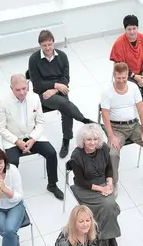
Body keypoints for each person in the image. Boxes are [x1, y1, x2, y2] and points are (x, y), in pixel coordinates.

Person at [0, 74, 63, 200]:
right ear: (11, 88)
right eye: (18, 90)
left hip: (32, 135)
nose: (22, 92)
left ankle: (52, 184)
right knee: (12, 162)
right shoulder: (3, 101)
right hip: (13, 138)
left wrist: (32, 139)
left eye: (24, 88)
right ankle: (12, 189)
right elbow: (0, 127)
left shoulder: (34, 97)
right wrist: (17, 141)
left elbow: (40, 122)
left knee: (51, 153)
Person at [28, 29, 94, 159]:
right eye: (44, 45)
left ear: (53, 42)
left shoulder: (62, 56)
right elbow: (37, 84)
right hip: (42, 94)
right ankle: (85, 120)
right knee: (65, 104)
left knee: (66, 109)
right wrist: (55, 85)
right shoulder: (34, 59)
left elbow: (65, 78)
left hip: (58, 90)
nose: (47, 48)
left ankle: (66, 140)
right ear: (40, 45)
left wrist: (55, 89)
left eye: (49, 44)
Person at [101, 61, 143, 188]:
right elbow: (105, 116)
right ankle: (113, 183)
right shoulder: (107, 91)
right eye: (118, 78)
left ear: (127, 75)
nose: (121, 80)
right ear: (114, 76)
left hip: (134, 126)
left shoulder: (133, 88)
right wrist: (111, 136)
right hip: (116, 127)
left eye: (124, 77)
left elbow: (141, 111)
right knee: (112, 153)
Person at [70, 123, 121, 246]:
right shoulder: (76, 155)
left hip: (103, 182)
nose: (93, 143)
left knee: (108, 206)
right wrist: (101, 189)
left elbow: (109, 167)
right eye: (89, 140)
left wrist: (109, 181)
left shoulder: (103, 148)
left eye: (95, 139)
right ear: (83, 140)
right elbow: (80, 181)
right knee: (110, 204)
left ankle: (105, 236)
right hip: (86, 188)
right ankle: (107, 236)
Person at [110, 14, 143, 100]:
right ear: (125, 30)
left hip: (141, 72)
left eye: (134, 28)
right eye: (129, 29)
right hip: (126, 73)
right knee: (132, 91)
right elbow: (119, 65)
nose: (132, 32)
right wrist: (135, 77)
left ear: (137, 28)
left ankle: (136, 101)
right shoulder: (119, 43)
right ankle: (132, 101)